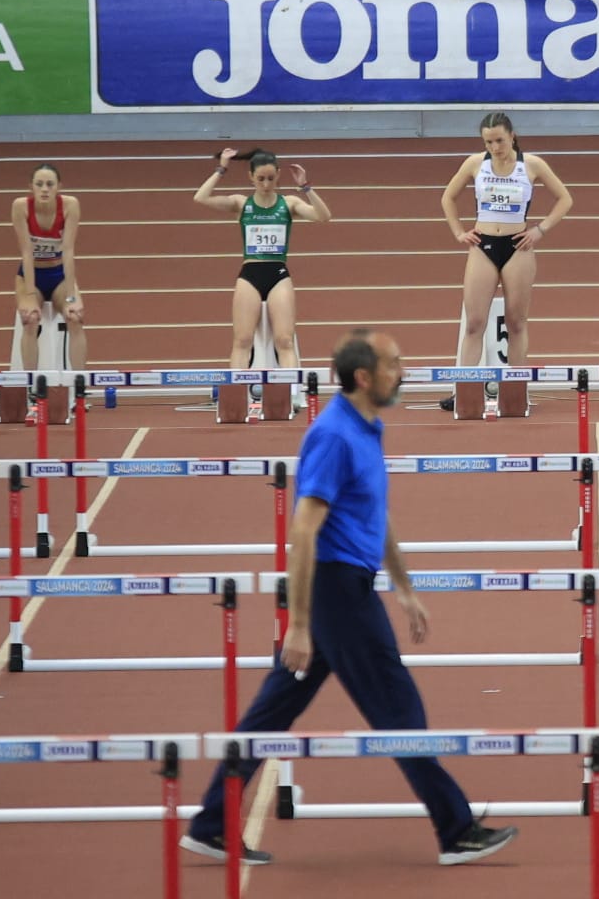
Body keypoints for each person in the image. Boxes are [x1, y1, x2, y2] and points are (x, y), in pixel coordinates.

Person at [179, 330, 517, 867]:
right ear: (364, 377)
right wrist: (298, 623)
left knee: (272, 713)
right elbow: (304, 530)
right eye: (395, 364)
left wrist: (404, 588)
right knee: (398, 708)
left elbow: (373, 513)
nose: (403, 373)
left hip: (349, 589)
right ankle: (456, 830)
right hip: (335, 595)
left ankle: (212, 823)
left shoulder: (368, 427)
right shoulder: (334, 436)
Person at [439, 113, 574, 380]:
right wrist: (458, 232)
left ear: (512, 136)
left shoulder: (532, 165)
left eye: (499, 141)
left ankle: (515, 388)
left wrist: (540, 230)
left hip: (518, 247)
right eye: (488, 142)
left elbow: (565, 199)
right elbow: (447, 197)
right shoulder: (475, 163)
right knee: (474, 323)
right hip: (483, 246)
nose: (494, 148)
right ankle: (465, 389)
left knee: (516, 323)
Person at [193, 147, 330, 369]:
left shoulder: (289, 203)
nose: (266, 184)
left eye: (271, 178)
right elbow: (200, 197)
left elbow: (324, 217)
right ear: (250, 177)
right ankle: (238, 398)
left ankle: (289, 396)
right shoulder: (241, 204)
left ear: (278, 175)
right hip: (250, 275)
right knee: (242, 341)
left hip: (278, 275)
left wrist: (305, 187)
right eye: (260, 179)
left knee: (284, 341)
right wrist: (222, 169)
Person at [11, 162, 88, 371]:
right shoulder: (20, 206)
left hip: (59, 275)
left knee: (75, 317)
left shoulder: (71, 205)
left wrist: (72, 297)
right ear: (31, 187)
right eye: (39, 184)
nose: (44, 189)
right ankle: (32, 386)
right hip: (31, 275)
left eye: (49, 184)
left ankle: (80, 385)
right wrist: (28, 295)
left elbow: (69, 251)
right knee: (30, 319)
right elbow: (26, 252)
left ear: (59, 187)